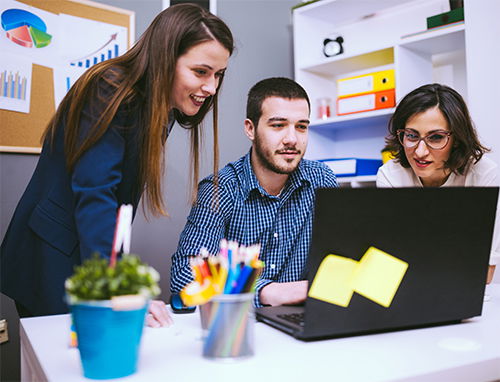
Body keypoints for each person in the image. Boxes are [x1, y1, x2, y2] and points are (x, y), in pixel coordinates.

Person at [0, 4, 234, 327]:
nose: (211, 88)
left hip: (80, 254)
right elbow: (96, 196)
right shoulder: (110, 88)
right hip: (50, 259)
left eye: (218, 75)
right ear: (166, 57)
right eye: (201, 72)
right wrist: (117, 291)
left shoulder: (159, 108)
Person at [170, 77, 338, 307]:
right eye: (278, 125)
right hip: (240, 326)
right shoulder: (221, 190)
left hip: (305, 321)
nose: (292, 139)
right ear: (250, 129)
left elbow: (339, 258)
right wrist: (266, 291)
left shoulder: (322, 180)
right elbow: (185, 276)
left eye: (301, 126)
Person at [376, 83, 499, 283]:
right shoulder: (391, 176)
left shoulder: (483, 174)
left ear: (457, 139)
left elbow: (483, 273)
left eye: (436, 137)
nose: (420, 152)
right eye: (411, 136)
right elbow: (392, 264)